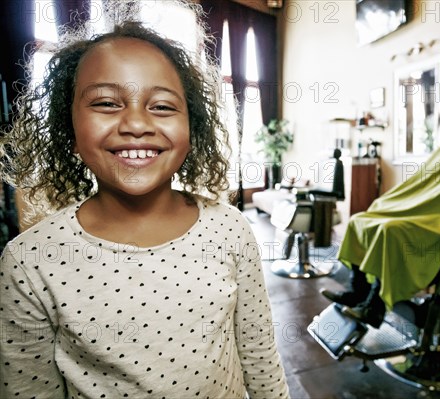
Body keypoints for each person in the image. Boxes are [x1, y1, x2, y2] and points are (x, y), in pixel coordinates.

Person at [0, 6, 289, 398]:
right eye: (105, 103)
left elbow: (260, 357)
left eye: (163, 106)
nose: (136, 124)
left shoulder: (230, 228)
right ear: (70, 129)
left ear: (193, 128)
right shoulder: (30, 261)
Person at [321, 86, 440, 328]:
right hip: (427, 215)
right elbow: (422, 186)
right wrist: (394, 203)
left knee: (390, 230)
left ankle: (375, 307)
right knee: (361, 220)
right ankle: (358, 290)